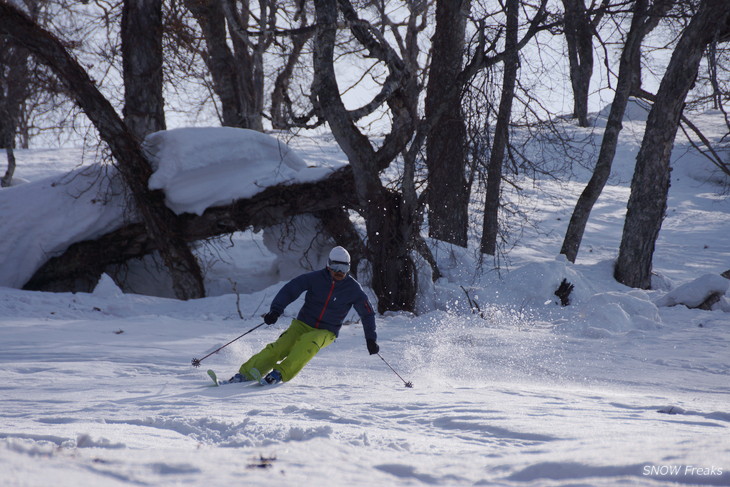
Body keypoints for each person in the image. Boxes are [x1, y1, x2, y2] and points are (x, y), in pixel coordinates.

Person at [229, 246, 379, 385]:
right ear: (328, 265)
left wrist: (371, 339)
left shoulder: (353, 289)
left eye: (344, 268)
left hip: (326, 331)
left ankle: (279, 374)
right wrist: (276, 310)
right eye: (336, 267)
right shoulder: (315, 278)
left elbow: (367, 314)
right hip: (302, 324)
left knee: (308, 342)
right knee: (281, 346)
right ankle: (246, 373)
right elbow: (291, 290)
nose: (339, 272)